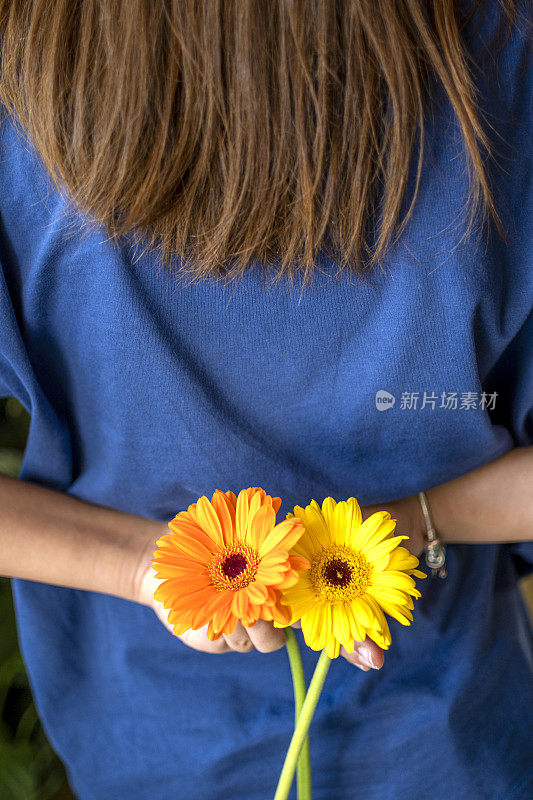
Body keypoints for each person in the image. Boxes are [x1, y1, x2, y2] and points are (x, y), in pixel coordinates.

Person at [0, 1, 532, 798]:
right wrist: (392, 530)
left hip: (148, 732)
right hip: (442, 723)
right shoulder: (502, 57)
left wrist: (148, 569)